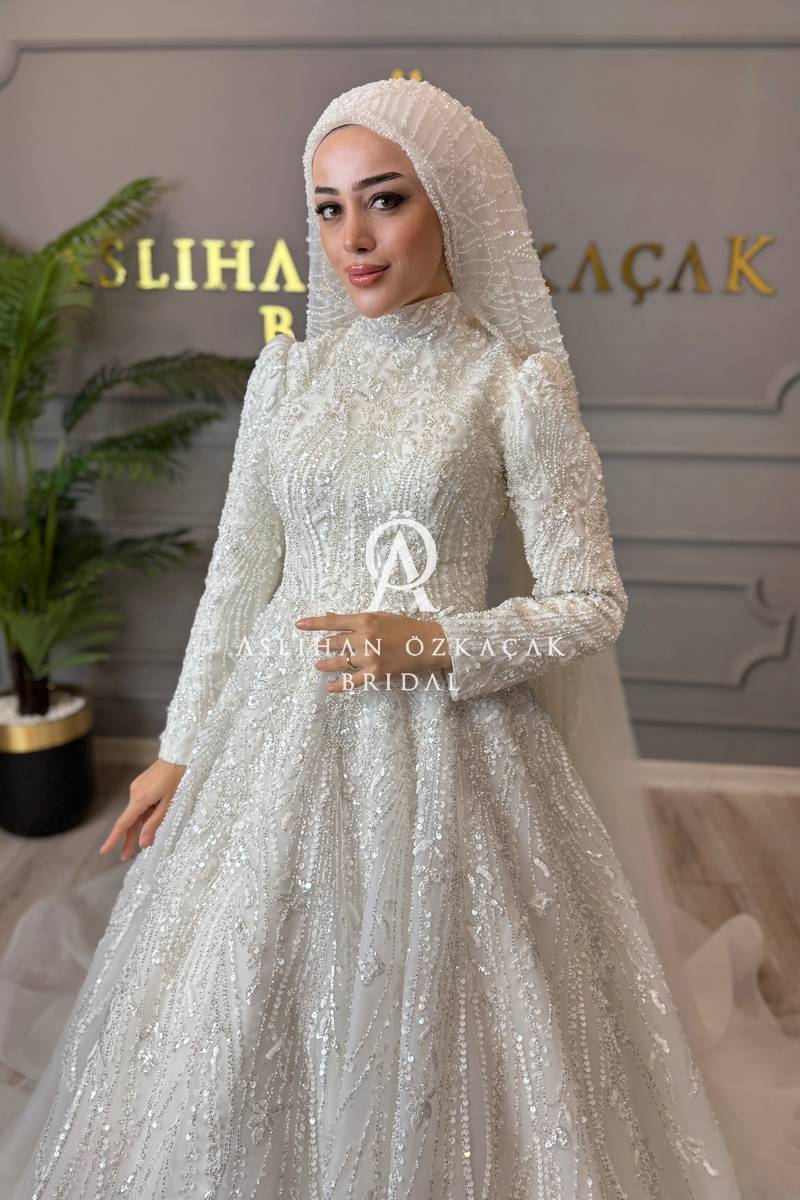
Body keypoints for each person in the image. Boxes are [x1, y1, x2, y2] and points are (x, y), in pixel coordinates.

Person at [1, 75, 798, 1199]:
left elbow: (590, 601)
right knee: (240, 1008)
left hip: (450, 749)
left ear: (451, 206)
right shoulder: (288, 376)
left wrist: (429, 643)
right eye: (328, 209)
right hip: (275, 735)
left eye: (384, 200)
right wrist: (179, 748)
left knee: (460, 1020)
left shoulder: (513, 386)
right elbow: (238, 581)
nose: (354, 239)